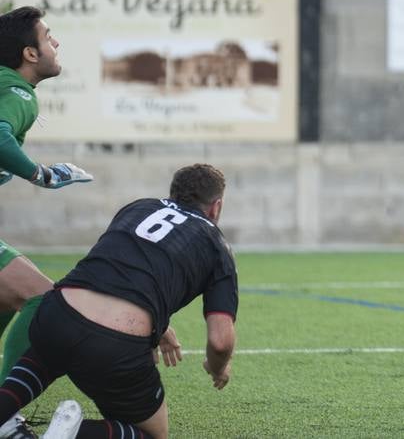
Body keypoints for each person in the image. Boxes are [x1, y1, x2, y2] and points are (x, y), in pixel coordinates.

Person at [0, 163, 237, 439]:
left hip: (58, 311)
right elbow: (221, 341)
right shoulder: (217, 246)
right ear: (216, 206)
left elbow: (115, 272)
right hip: (114, 345)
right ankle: (73, 433)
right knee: (153, 434)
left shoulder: (138, 208)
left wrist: (157, 326)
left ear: (174, 194)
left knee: (42, 362)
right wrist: (217, 367)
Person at [0, 7, 93, 439]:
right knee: (42, 299)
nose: (56, 44)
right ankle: (4, 412)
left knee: (5, 301)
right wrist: (43, 174)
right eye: (49, 36)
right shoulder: (19, 93)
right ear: (29, 53)